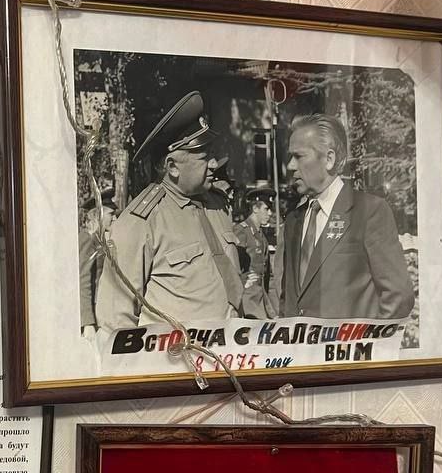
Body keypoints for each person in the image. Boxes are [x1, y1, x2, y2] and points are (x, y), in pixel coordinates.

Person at [95, 91, 242, 330]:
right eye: (204, 157)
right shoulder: (140, 222)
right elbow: (116, 320)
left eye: (213, 155)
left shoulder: (218, 205)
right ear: (172, 167)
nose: (214, 164)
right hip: (180, 351)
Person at [280, 114, 414, 320]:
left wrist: (364, 338)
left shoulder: (368, 212)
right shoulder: (293, 221)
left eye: (299, 156)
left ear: (329, 159)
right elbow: (289, 299)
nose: (290, 166)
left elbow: (398, 297)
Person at [235, 184, 279, 319]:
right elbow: (233, 265)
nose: (270, 213)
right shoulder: (242, 231)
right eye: (266, 209)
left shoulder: (261, 235)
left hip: (261, 300)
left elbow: (267, 275)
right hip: (247, 301)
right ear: (255, 208)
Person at [78, 188, 116, 338]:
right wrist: (87, 322)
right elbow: (83, 280)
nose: (114, 218)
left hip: (101, 312)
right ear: (98, 215)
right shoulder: (87, 239)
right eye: (111, 214)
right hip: (93, 317)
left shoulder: (97, 239)